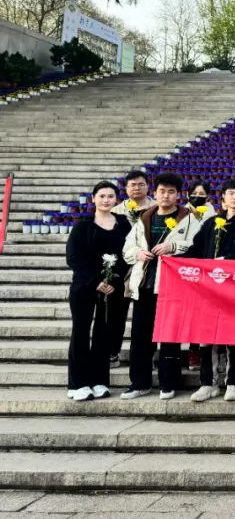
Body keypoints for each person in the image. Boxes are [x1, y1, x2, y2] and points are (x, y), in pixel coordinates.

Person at [187, 178, 235, 403]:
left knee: (234, 336)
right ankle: (207, 383)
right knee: (206, 337)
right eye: (231, 193)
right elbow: (196, 248)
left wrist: (229, 260)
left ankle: (232, 383)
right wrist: (174, 260)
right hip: (209, 289)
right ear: (223, 198)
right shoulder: (212, 223)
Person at [120, 173, 195, 401]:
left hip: (172, 287)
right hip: (143, 285)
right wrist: (138, 254)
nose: (166, 195)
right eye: (162, 191)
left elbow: (196, 247)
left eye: (171, 191)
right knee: (140, 337)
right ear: (155, 193)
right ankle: (139, 383)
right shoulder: (143, 218)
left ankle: (167, 383)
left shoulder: (189, 219)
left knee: (170, 337)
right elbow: (127, 250)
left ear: (178, 195)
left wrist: (175, 246)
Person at [66, 181, 131, 401]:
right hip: (85, 287)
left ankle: (100, 381)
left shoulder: (123, 224)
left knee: (104, 334)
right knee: (81, 333)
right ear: (93, 198)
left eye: (110, 196)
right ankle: (78, 383)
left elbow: (127, 255)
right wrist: (96, 281)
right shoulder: (83, 225)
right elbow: (74, 258)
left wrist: (115, 279)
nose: (106, 200)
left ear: (116, 200)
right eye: (101, 196)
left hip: (112, 289)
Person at [108, 170, 155, 367]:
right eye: (132, 185)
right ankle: (112, 351)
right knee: (117, 311)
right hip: (122, 268)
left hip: (149, 268)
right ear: (126, 188)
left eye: (141, 184)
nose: (137, 188)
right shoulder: (116, 211)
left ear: (148, 186)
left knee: (147, 316)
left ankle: (148, 355)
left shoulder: (157, 208)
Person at [182, 180, 215, 373]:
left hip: (209, 270)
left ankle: (209, 351)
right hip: (189, 269)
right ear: (188, 195)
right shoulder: (181, 214)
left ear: (208, 197)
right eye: (195, 193)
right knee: (193, 312)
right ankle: (193, 349)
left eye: (202, 194)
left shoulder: (214, 216)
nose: (198, 196)